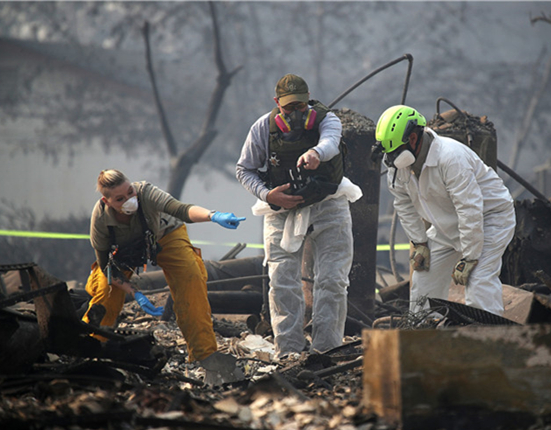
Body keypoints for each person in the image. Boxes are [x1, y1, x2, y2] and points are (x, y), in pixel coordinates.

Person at [236, 74, 362, 359]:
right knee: (281, 280)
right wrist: (268, 195)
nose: (295, 114)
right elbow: (244, 170)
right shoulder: (262, 130)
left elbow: (331, 141)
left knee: (332, 280)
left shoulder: (326, 120)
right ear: (276, 104)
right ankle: (288, 350)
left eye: (301, 107)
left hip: (329, 204)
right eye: (288, 108)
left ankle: (327, 349)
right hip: (282, 209)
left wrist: (316, 153)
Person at [82, 169, 246, 385]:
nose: (129, 200)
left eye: (130, 192)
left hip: (165, 236)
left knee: (191, 278)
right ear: (107, 200)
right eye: (120, 199)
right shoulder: (100, 219)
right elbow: (107, 268)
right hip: (124, 252)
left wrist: (213, 216)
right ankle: (90, 352)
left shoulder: (146, 193)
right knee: (105, 290)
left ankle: (205, 355)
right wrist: (135, 293)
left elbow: (181, 210)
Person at [375, 105, 516, 316]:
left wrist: (469, 257)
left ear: (413, 138)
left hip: (489, 218)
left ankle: (488, 339)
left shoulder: (450, 157)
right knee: (423, 277)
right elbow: (403, 205)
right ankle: (426, 334)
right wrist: (420, 243)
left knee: (478, 281)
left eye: (395, 151)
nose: (392, 159)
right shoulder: (397, 167)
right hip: (448, 224)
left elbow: (469, 208)